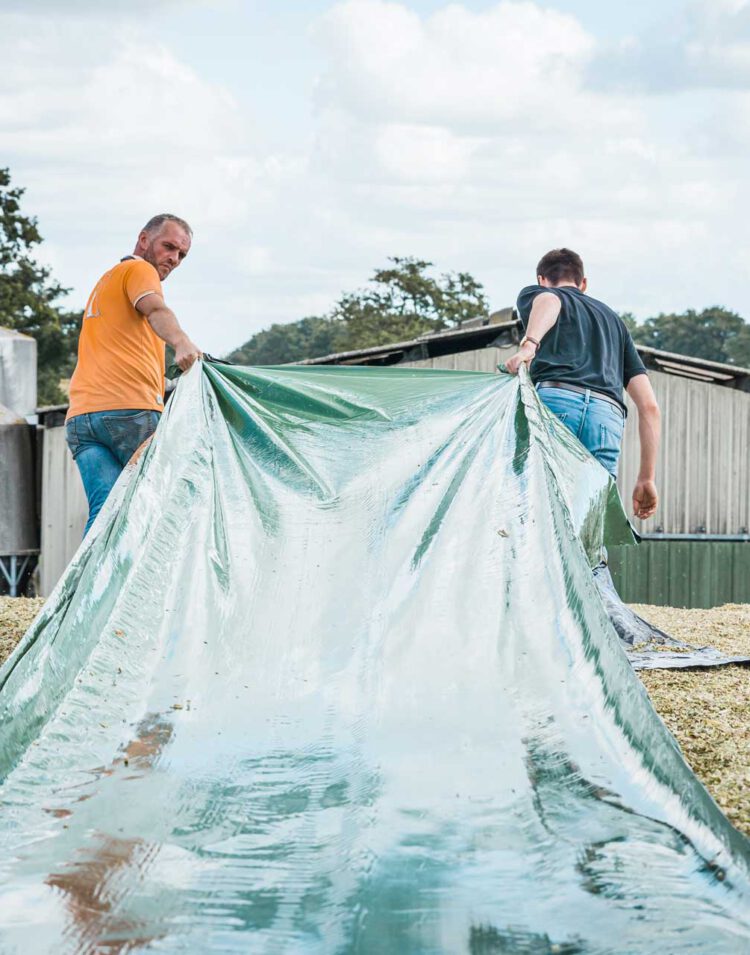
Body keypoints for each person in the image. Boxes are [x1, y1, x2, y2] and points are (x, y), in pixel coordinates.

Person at [66, 214, 202, 535]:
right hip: (128, 414)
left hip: (82, 420)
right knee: (162, 504)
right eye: (169, 247)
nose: (174, 258)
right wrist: (182, 342)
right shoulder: (141, 270)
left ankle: (89, 587)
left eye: (182, 254)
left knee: (106, 512)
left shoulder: (106, 282)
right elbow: (156, 310)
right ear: (144, 240)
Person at [506, 248, 660, 521]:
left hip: (558, 399)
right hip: (606, 416)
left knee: (538, 511)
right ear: (584, 283)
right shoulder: (615, 322)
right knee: (589, 518)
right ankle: (594, 564)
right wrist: (646, 477)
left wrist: (529, 345)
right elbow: (649, 407)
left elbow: (550, 301)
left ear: (542, 279)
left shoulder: (542, 295)